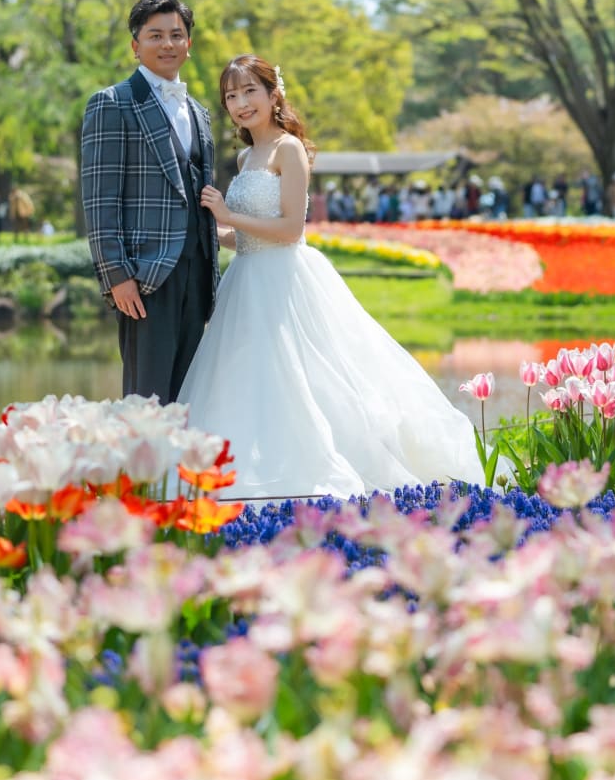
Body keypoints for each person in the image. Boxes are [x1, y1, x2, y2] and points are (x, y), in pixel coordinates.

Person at [177, 55, 484, 500]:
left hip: (285, 283)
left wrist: (230, 215)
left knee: (305, 380)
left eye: (250, 92)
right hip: (245, 283)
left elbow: (290, 230)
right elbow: (245, 239)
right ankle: (247, 476)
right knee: (247, 383)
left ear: (272, 94)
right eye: (231, 95)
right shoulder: (246, 156)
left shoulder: (289, 148)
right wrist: (211, 229)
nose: (241, 103)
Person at [80, 0, 219, 404]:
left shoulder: (200, 111)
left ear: (188, 45)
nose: (167, 44)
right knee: (148, 399)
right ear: (135, 45)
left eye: (176, 35)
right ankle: (146, 471)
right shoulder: (112, 103)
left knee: (192, 395)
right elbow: (99, 198)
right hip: (145, 277)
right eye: (155, 35)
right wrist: (116, 275)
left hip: (199, 272)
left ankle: (183, 472)